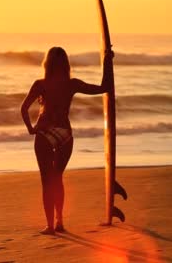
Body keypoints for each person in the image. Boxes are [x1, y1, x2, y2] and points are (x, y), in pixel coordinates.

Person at [20, 47, 113, 235]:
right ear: (65, 64)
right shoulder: (72, 84)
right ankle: (60, 221)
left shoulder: (40, 84)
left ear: (47, 64)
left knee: (46, 181)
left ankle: (50, 226)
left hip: (44, 133)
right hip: (65, 135)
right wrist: (107, 61)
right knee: (57, 178)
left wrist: (31, 129)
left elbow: (23, 108)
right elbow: (104, 87)